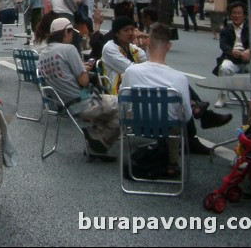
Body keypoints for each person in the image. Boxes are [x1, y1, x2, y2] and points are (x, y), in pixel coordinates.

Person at [38, 18, 121, 161]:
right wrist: (83, 70)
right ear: (66, 32)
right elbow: (84, 81)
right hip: (84, 104)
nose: (72, 36)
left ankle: (95, 135)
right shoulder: (68, 49)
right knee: (126, 105)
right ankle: (99, 139)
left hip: (63, 105)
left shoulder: (42, 55)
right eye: (71, 32)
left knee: (113, 105)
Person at [121, 23, 193, 177]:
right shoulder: (179, 78)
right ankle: (172, 163)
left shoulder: (131, 71)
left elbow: (123, 104)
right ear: (169, 46)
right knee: (176, 119)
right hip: (168, 126)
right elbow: (186, 115)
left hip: (137, 124)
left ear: (147, 43)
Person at [213, 1, 251, 108]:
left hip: (249, 59)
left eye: (239, 13)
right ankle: (222, 96)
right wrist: (231, 51)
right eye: (234, 13)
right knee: (224, 68)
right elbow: (223, 45)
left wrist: (249, 51)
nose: (236, 16)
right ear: (230, 15)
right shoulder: (226, 30)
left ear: (244, 15)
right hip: (232, 58)